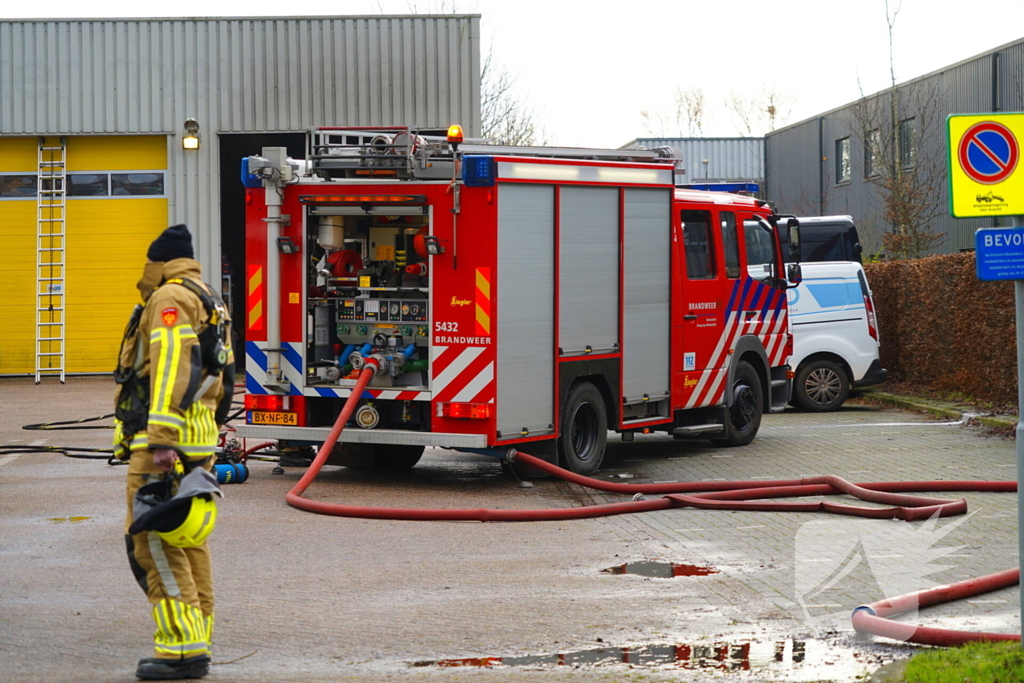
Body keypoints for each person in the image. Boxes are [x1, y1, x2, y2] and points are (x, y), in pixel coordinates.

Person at [113, 224, 235, 680]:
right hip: (196, 439)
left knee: (152, 542)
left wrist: (163, 438)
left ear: (158, 262)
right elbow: (224, 373)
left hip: (165, 442)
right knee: (188, 541)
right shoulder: (208, 297)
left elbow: (171, 367)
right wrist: (208, 433)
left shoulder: (169, 299)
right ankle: (195, 639)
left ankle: (179, 649)